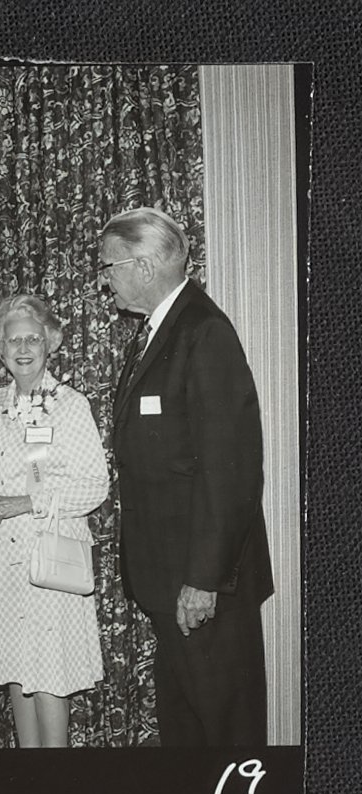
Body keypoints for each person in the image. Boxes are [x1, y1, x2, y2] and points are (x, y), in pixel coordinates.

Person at [101, 207, 274, 747]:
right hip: (170, 577)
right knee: (186, 730)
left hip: (202, 586)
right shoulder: (160, 330)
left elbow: (231, 470)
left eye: (109, 266)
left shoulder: (203, 331)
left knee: (226, 732)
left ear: (144, 266)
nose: (105, 279)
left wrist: (203, 580)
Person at [0, 294, 109, 748]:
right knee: (16, 672)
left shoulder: (68, 405)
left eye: (32, 338)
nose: (23, 348)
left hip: (48, 558)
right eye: (14, 340)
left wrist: (26, 502)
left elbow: (95, 487)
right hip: (2, 561)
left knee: (48, 678)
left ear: (49, 343)